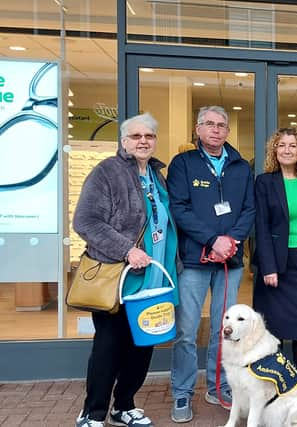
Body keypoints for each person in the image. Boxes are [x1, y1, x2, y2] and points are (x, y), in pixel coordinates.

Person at [73, 112, 180, 427]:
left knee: (142, 348)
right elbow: (85, 221)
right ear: (123, 141)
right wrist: (127, 249)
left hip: (153, 280)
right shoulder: (107, 172)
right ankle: (92, 413)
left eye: (148, 136)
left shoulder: (156, 176)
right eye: (136, 136)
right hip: (118, 279)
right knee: (109, 348)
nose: (143, 141)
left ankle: (124, 406)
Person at [167, 106, 255, 423]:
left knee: (226, 330)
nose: (216, 130)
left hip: (229, 262)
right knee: (187, 331)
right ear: (198, 129)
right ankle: (182, 392)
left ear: (228, 131)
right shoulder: (183, 164)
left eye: (221, 125)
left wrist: (230, 241)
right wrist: (211, 240)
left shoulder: (241, 167)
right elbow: (178, 208)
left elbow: (249, 209)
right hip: (194, 260)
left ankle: (219, 387)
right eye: (209, 124)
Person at [253, 128, 297, 370]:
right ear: (274, 150)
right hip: (276, 262)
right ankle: (277, 374)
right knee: (274, 324)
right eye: (282, 145)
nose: (287, 150)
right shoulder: (265, 182)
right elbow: (261, 226)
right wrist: (268, 267)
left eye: (293, 145)